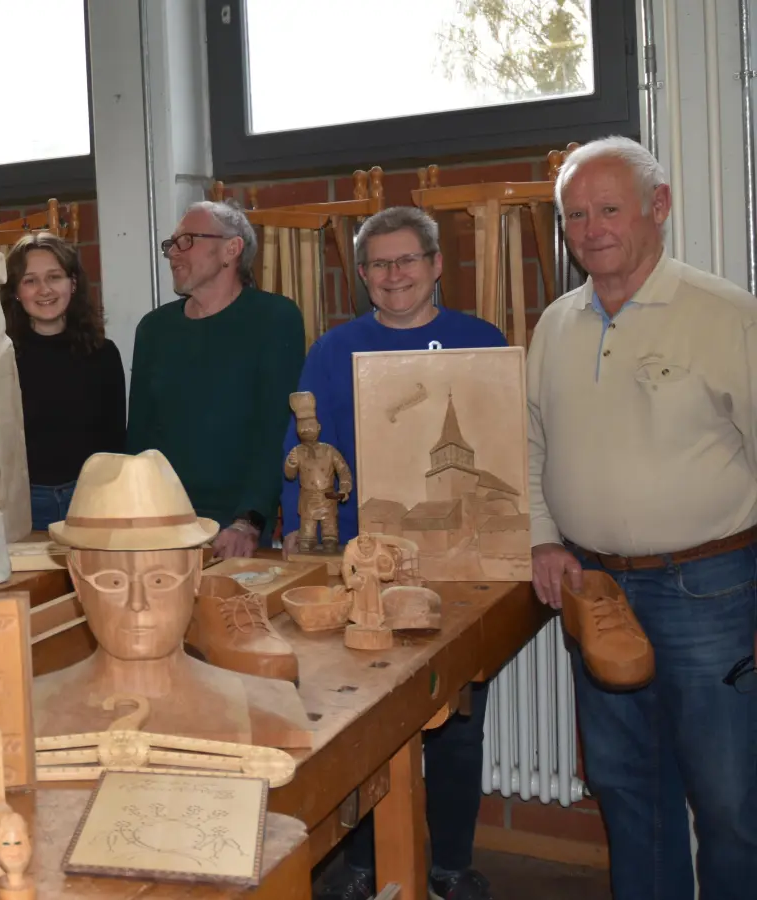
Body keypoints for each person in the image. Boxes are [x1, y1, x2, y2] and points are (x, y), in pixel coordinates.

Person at [528, 135, 757, 900]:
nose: (590, 230)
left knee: (731, 805)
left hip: (713, 593)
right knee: (630, 797)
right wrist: (541, 541)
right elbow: (528, 448)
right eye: (575, 217)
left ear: (659, 207)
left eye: (608, 210)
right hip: (596, 594)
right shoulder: (554, 326)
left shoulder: (726, 316)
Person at [286, 207, 504, 900]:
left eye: (407, 260)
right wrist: (301, 531)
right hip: (364, 570)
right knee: (364, 724)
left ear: (437, 264)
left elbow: (504, 448)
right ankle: (364, 868)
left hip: (459, 570)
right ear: (363, 276)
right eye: (378, 264)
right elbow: (302, 459)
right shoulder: (331, 349)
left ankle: (450, 865)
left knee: (456, 726)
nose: (393, 275)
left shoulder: (480, 342)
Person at [128, 200, 304, 558]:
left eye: (187, 240)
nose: (173, 253)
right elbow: (139, 437)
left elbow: (277, 428)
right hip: (161, 521)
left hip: (236, 525)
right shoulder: (154, 328)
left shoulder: (274, 319)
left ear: (231, 249)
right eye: (171, 244)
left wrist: (249, 520)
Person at [1, 231, 125, 531]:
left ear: (73, 283)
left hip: (92, 500)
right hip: (24, 503)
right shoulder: (1, 359)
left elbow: (115, 440)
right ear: (17, 291)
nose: (44, 289)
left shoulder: (103, 354)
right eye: (30, 280)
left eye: (54, 277)